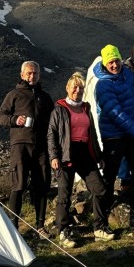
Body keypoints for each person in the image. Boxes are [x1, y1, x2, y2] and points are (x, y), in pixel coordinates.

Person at [47, 72, 111, 247]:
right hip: (66, 153)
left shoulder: (86, 108)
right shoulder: (59, 109)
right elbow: (51, 134)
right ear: (67, 88)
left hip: (85, 152)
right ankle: (63, 231)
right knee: (64, 194)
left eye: (81, 87)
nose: (78, 90)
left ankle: (99, 228)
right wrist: (54, 156)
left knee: (100, 189)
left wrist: (99, 156)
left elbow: (92, 135)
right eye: (74, 87)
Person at [92, 45, 134, 223]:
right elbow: (116, 113)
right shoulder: (102, 85)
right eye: (110, 62)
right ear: (105, 63)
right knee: (110, 176)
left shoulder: (127, 75)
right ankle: (102, 218)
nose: (114, 65)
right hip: (114, 135)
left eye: (116, 60)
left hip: (133, 134)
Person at [0, 61, 54, 232]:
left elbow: (53, 121)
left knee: (42, 185)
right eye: (29, 73)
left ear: (39, 75)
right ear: (22, 75)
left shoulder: (45, 97)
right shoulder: (13, 95)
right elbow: (1, 116)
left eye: (35, 73)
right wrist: (15, 120)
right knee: (19, 184)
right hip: (20, 144)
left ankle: (40, 226)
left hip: (41, 146)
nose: (32, 76)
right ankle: (13, 227)